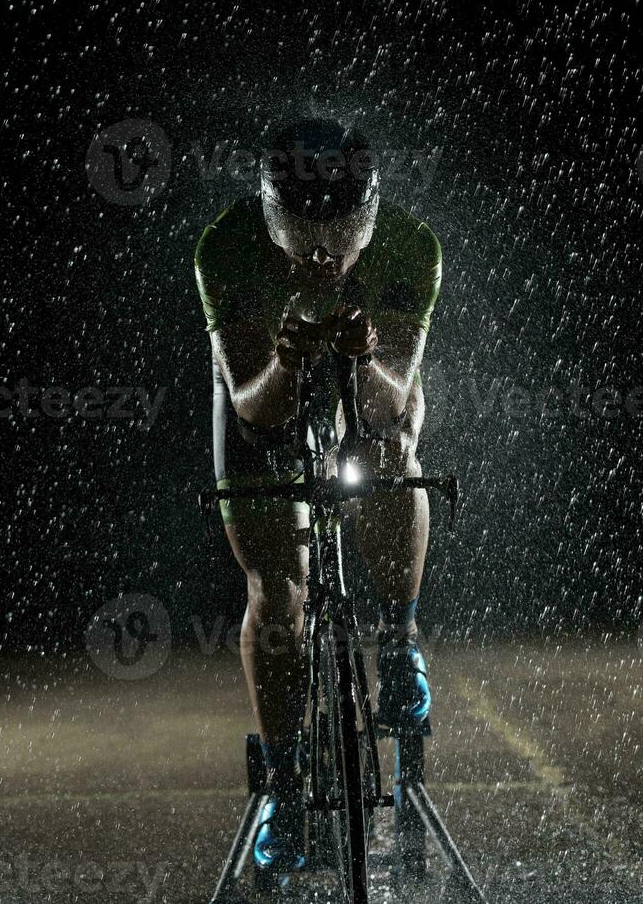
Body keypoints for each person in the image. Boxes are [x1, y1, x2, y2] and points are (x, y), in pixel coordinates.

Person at [194, 118, 442, 874]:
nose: (325, 258)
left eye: (345, 237)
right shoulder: (226, 248)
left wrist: (363, 360)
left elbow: (389, 402)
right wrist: (288, 357)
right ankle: (283, 780)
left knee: (393, 452)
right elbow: (254, 409)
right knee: (279, 589)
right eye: (304, 239)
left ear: (371, 218)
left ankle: (398, 641)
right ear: (272, 220)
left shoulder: (410, 247)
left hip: (374, 388)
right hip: (264, 386)